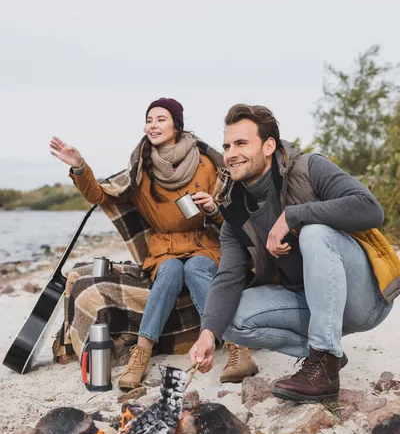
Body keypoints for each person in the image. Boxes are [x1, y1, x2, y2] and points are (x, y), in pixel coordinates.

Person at [189, 103, 400, 402]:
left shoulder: (309, 168)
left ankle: (324, 358)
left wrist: (294, 216)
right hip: (313, 304)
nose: (231, 153)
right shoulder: (235, 210)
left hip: (363, 299)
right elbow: (228, 279)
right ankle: (326, 357)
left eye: (241, 143)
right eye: (226, 145)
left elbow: (370, 209)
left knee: (315, 232)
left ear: (268, 145)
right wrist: (208, 333)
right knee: (228, 320)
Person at [50, 98, 258, 389]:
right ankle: (141, 353)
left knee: (197, 267)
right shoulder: (140, 168)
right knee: (172, 271)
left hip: (203, 244)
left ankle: (238, 348)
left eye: (161, 119)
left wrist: (213, 208)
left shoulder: (207, 163)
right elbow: (101, 195)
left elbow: (233, 218)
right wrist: (80, 166)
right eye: (149, 120)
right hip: (164, 249)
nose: (153, 125)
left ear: (176, 124)